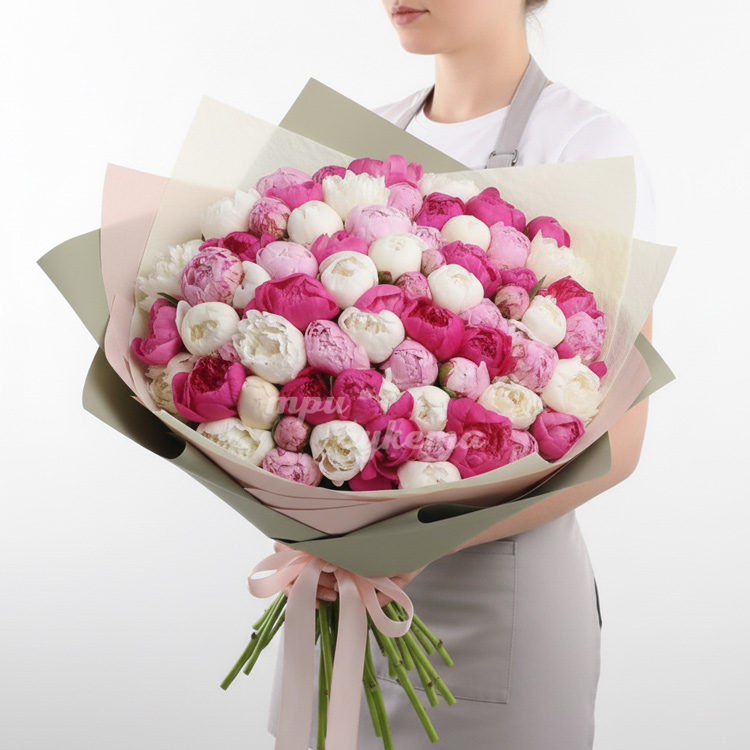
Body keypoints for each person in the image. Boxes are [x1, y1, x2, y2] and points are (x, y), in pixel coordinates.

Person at [352, 2, 655, 748]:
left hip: (499, 600)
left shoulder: (583, 143)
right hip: (348, 596)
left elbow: (619, 442)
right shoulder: (367, 136)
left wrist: (402, 543)